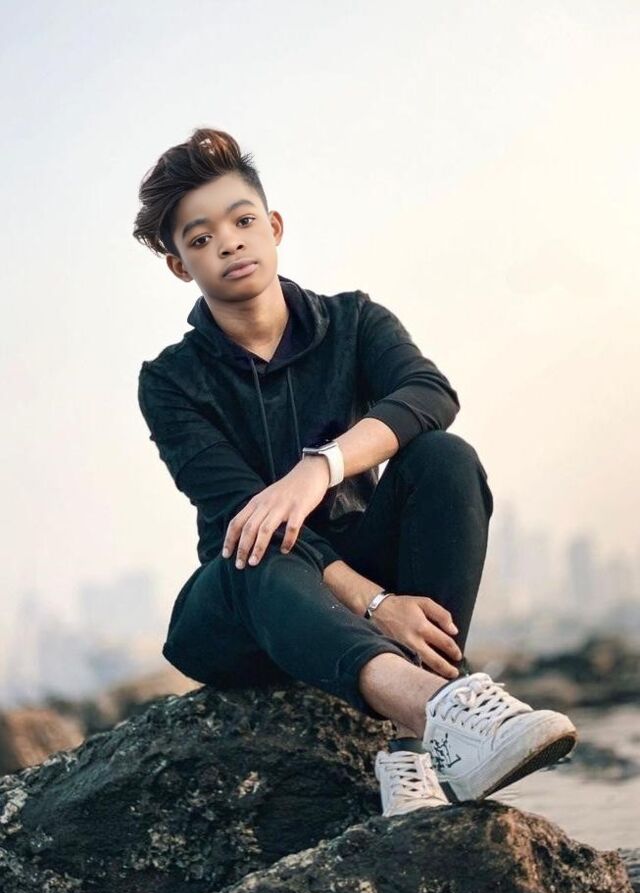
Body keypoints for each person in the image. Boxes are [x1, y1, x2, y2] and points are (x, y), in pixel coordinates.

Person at [133, 127, 577, 817]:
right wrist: (376, 605)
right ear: (179, 265)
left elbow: (429, 393)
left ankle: (410, 756)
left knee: (444, 458)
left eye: (243, 221)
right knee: (254, 541)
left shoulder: (353, 321)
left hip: (356, 561)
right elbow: (245, 513)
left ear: (274, 227)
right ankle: (443, 711)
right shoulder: (170, 381)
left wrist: (322, 466)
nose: (229, 243)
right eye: (201, 237)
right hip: (250, 605)